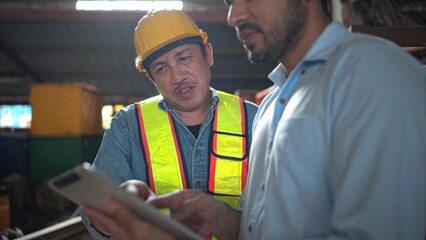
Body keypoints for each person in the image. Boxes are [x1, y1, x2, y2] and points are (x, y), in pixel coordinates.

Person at [83, 0, 426, 239]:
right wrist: (229, 222)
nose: (233, 15)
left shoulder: (376, 76)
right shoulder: (275, 104)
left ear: (207, 54)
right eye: (231, 0)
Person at [79, 9, 258, 239]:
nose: (177, 77)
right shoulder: (128, 126)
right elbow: (94, 213)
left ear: (208, 54)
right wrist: (123, 212)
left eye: (184, 58)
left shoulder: (255, 120)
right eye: (161, 68)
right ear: (151, 78)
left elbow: (277, 213)